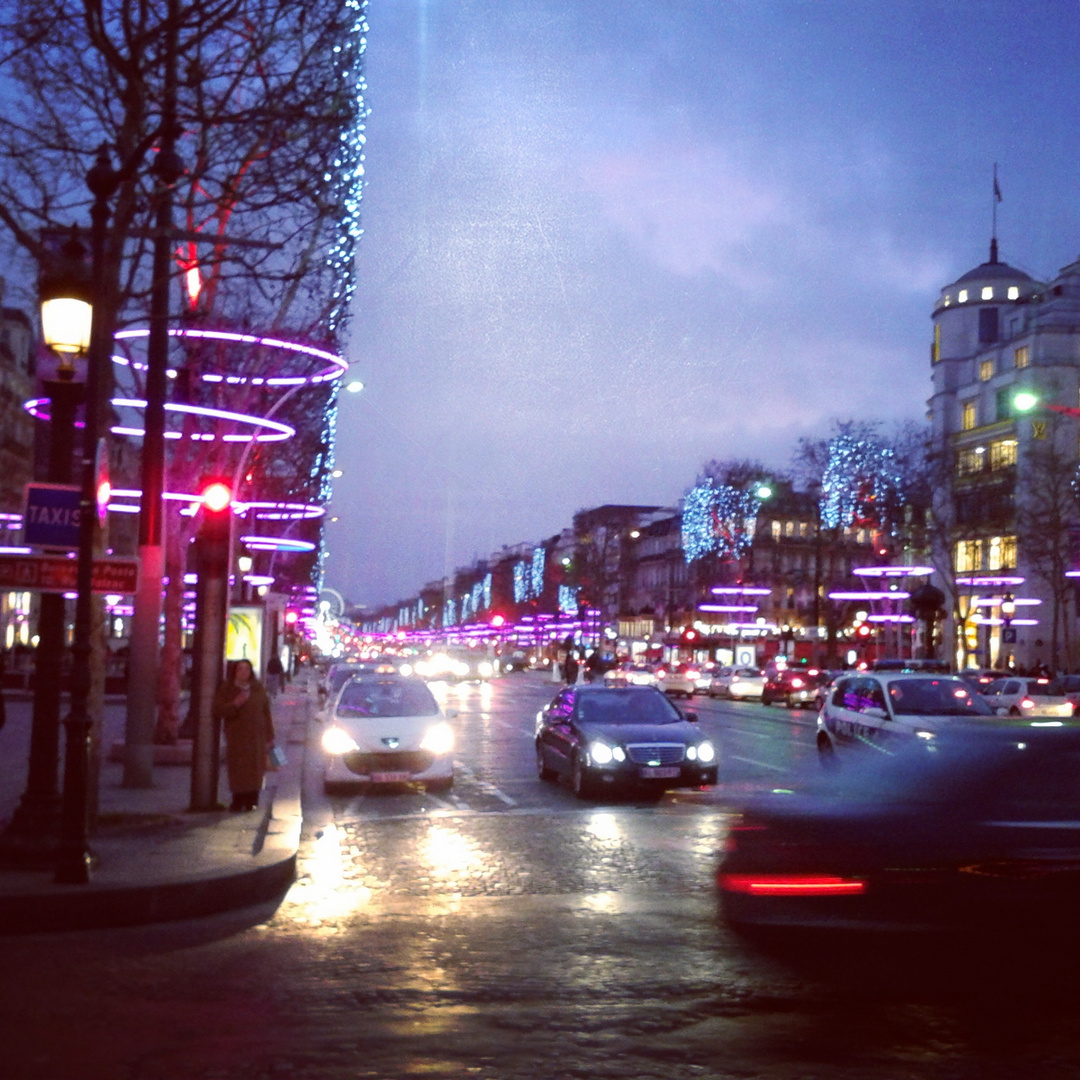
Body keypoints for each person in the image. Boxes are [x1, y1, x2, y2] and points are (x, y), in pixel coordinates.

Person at [212, 658, 276, 812]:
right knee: (238, 770)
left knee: (256, 769)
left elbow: (266, 712)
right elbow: (218, 710)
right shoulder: (228, 689)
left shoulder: (257, 688)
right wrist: (235, 704)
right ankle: (238, 800)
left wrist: (270, 735)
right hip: (237, 737)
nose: (244, 672)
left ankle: (252, 800)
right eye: (240, 669)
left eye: (247, 669)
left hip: (256, 737)